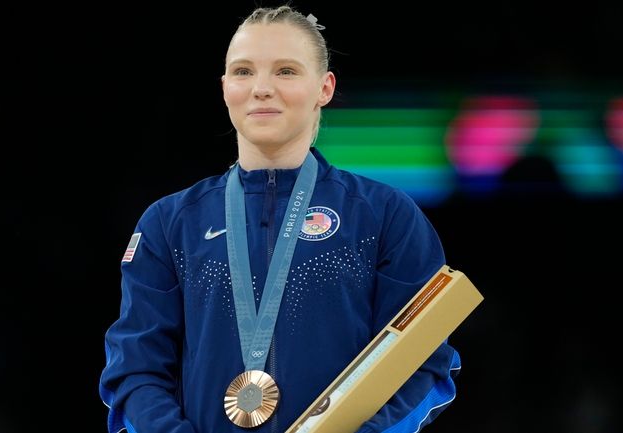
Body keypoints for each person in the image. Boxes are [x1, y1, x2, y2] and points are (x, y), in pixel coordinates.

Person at [100, 5, 461, 433]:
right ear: (224, 87)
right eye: (243, 71)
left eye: (286, 71)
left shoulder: (384, 215)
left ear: (324, 88)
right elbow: (136, 369)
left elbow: (420, 362)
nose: (261, 88)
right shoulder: (169, 223)